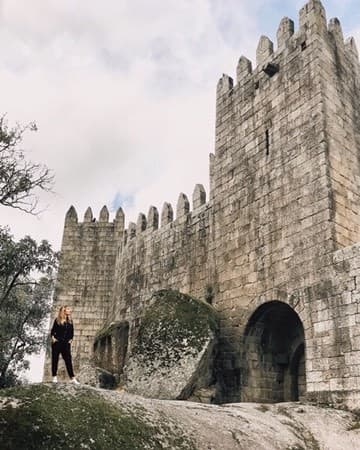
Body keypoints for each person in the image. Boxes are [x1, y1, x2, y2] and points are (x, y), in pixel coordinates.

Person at [51, 305, 79, 384]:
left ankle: (72, 378)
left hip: (66, 344)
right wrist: (53, 339)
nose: (70, 310)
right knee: (55, 359)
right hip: (57, 343)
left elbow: (72, 332)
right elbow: (53, 331)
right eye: (68, 309)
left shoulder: (70, 321)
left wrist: (71, 340)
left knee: (68, 360)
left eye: (70, 309)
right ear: (64, 311)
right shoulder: (57, 320)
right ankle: (54, 376)